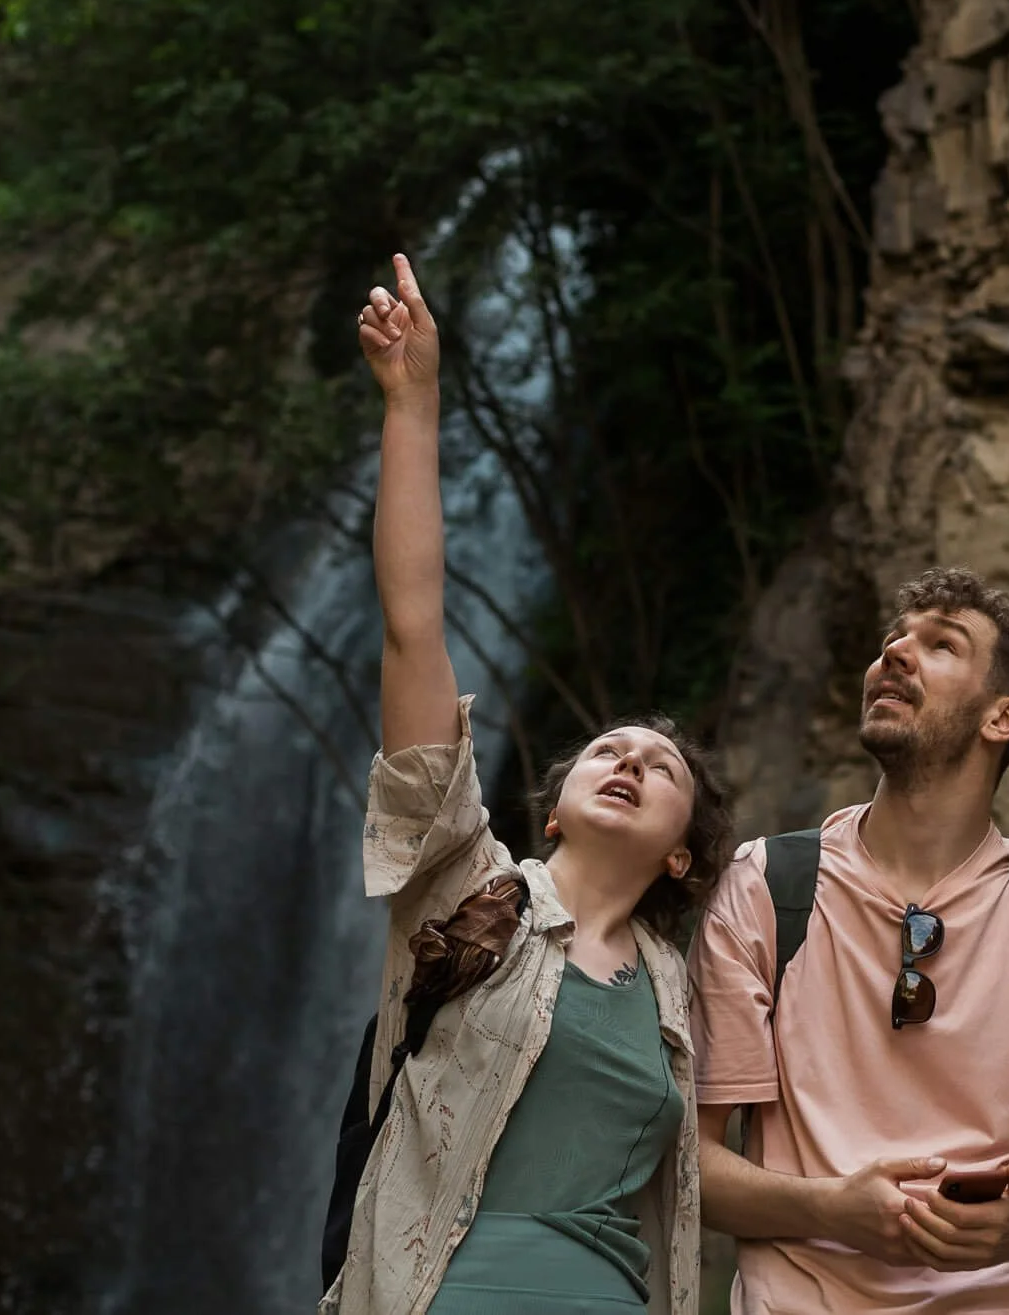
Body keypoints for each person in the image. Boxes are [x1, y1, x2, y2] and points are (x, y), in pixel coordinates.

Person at [323, 253, 734, 1315]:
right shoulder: (464, 884)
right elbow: (414, 625)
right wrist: (414, 406)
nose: (632, 759)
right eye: (609, 749)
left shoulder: (684, 995)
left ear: (683, 849)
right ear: (551, 809)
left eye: (663, 765)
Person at [689, 569, 1009, 1313]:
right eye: (893, 641)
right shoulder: (768, 886)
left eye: (940, 645)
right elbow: (692, 1164)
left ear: (1003, 716)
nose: (895, 655)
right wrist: (829, 1209)